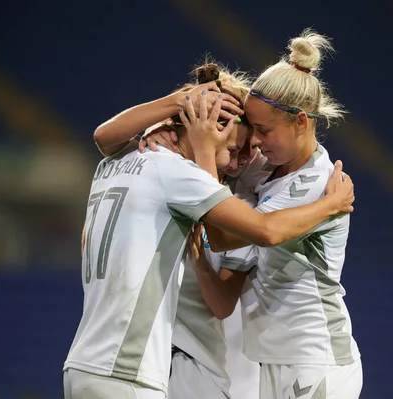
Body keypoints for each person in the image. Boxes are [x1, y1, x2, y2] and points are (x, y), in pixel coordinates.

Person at [63, 61, 356, 399]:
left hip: (95, 361)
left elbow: (104, 136)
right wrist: (331, 204)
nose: (246, 157)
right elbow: (260, 230)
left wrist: (175, 113)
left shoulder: (122, 160)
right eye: (235, 148)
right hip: (132, 366)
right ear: (209, 131)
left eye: (257, 143)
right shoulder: (180, 176)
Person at [195, 28, 364, 399]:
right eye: (253, 128)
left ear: (300, 122)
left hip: (314, 360)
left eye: (264, 130)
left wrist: (204, 152)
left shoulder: (314, 184)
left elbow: (235, 234)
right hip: (277, 358)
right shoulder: (270, 167)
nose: (254, 141)